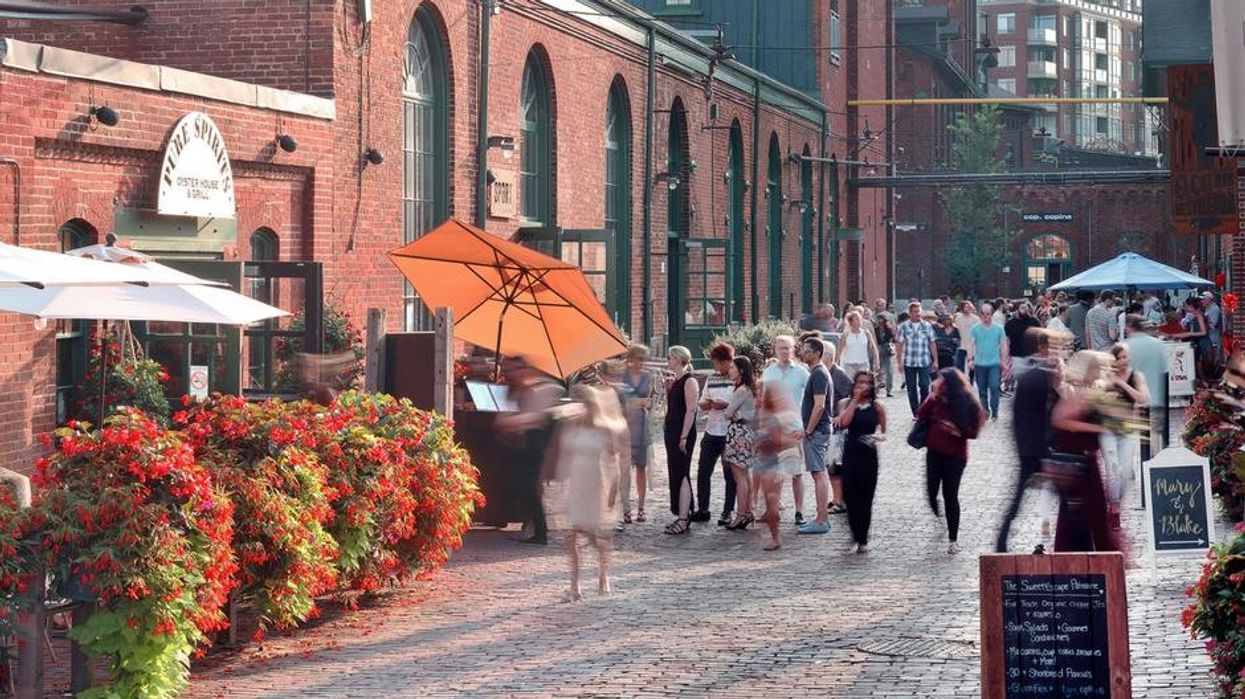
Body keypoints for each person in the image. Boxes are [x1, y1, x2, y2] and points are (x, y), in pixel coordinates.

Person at [556, 383, 626, 601]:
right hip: (576, 483)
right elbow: (563, 454)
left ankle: (603, 575)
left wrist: (614, 490)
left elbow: (615, 461)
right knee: (572, 536)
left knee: (596, 535)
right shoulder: (572, 426)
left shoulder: (604, 429)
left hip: (596, 483)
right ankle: (574, 585)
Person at [1049, 351, 1122, 553]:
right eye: (1098, 367)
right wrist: (1097, 428)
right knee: (1081, 512)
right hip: (1076, 459)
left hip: (1086, 459)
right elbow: (1060, 420)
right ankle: (1079, 556)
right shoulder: (1076, 392)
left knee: (1092, 511)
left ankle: (1096, 555)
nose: (1101, 371)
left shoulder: (1089, 390)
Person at [996, 329, 1059, 552]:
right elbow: (1048, 413)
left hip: (1028, 448)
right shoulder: (1040, 376)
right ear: (1042, 347)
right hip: (1039, 448)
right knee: (1071, 497)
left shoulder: (1029, 374)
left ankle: (1001, 543)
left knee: (1017, 502)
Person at [496, 355, 564, 546]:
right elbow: (505, 418)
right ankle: (534, 526)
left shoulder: (542, 389)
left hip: (536, 446)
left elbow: (535, 418)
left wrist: (513, 422)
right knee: (524, 486)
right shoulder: (516, 390)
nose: (509, 374)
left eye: (513, 369)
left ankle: (540, 532)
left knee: (531, 488)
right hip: (523, 445)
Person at [917, 368, 985, 554]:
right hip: (934, 452)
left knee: (950, 495)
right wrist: (932, 396)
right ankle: (939, 518)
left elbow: (974, 429)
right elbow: (920, 415)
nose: (937, 381)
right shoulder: (936, 399)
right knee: (931, 491)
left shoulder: (966, 401)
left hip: (955, 456)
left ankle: (953, 538)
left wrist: (958, 431)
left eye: (941, 379)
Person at [835, 371, 887, 553]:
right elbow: (843, 423)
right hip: (850, 453)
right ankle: (854, 533)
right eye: (860, 383)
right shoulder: (845, 403)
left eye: (867, 383)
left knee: (866, 498)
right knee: (849, 496)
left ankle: (862, 539)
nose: (863, 386)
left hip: (869, 455)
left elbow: (883, 432)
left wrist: (877, 437)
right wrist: (855, 401)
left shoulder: (878, 407)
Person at [760, 335, 810, 523]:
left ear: (793, 349)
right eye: (781, 348)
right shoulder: (769, 373)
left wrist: (805, 426)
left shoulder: (802, 373)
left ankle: (799, 512)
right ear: (775, 350)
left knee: (796, 473)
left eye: (787, 348)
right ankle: (773, 510)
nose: (784, 351)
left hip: (794, 428)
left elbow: (810, 401)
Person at [1099, 342, 1149, 527]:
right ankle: (1115, 510)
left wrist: (1122, 384)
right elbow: (1098, 403)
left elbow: (1143, 398)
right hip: (1108, 429)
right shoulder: (1104, 377)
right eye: (1118, 358)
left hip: (1128, 429)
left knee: (1126, 470)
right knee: (1112, 469)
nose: (1122, 361)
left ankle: (1114, 500)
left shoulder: (1136, 375)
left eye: (1125, 357)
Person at [754, 388, 803, 551]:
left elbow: (778, 440)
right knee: (770, 500)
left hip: (773, 462)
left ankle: (776, 537)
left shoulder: (772, 417)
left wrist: (792, 440)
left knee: (771, 499)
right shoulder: (766, 415)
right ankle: (775, 536)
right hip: (767, 461)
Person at [696, 343, 737, 526]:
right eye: (715, 364)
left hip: (729, 432)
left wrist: (725, 405)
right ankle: (703, 508)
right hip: (711, 430)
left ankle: (727, 511)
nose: (717, 367)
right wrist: (706, 404)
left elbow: (742, 402)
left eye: (720, 363)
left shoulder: (736, 379)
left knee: (730, 474)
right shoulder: (711, 379)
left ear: (729, 361)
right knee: (703, 471)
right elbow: (702, 400)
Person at [797, 337, 834, 534]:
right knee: (818, 473)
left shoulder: (819, 374)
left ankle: (821, 520)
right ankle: (821, 518)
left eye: (806, 351)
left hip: (817, 431)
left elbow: (819, 405)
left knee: (819, 473)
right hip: (819, 430)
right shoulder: (817, 373)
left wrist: (809, 429)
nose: (802, 353)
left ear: (817, 353)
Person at [662, 346, 699, 535]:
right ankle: (681, 512)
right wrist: (668, 389)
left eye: (670, 357)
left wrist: (683, 436)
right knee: (675, 472)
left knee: (682, 472)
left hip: (682, 433)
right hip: (672, 432)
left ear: (677, 359)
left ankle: (684, 518)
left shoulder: (689, 381)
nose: (668, 359)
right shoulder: (676, 381)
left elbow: (691, 410)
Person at [618, 345, 654, 528]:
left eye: (643, 359)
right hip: (625, 426)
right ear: (630, 358)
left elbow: (649, 402)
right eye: (638, 358)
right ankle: (626, 508)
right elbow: (621, 403)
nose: (641, 363)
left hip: (641, 424)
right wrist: (636, 403)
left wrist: (640, 403)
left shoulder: (648, 377)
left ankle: (641, 507)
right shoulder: (622, 377)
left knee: (641, 467)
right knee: (624, 470)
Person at [1124, 314, 1169, 458]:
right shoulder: (1158, 344)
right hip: (1155, 397)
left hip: (1132, 400)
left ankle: (1131, 467)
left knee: (1131, 436)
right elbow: (1165, 370)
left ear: (1129, 327)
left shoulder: (1124, 346)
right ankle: (1156, 468)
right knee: (1155, 435)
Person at [722, 357, 758, 531]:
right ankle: (748, 511)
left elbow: (728, 414)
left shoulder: (741, 390)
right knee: (745, 474)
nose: (730, 371)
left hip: (739, 434)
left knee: (739, 476)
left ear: (741, 370)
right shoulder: (750, 389)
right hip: (747, 432)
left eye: (733, 368)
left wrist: (732, 413)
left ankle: (741, 514)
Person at [896, 301, 938, 416]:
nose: (918, 314)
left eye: (919, 311)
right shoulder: (903, 327)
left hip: (924, 360)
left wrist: (935, 360)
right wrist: (899, 362)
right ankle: (915, 412)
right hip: (909, 361)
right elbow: (899, 345)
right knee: (911, 388)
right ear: (910, 313)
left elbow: (932, 343)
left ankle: (923, 409)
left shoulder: (927, 326)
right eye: (915, 312)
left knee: (925, 385)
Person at [969, 303, 1009, 421]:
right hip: (980, 364)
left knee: (994, 387)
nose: (986, 316)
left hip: (994, 364)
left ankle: (995, 412)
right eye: (983, 314)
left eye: (988, 314)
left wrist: (1004, 361)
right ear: (980, 314)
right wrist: (970, 359)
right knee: (982, 389)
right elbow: (971, 344)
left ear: (992, 314)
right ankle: (985, 411)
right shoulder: (975, 329)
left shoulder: (999, 329)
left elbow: (1003, 345)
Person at [838, 310, 879, 379]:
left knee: (861, 385)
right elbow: (839, 350)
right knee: (850, 385)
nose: (859, 321)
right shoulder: (845, 335)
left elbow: (873, 348)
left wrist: (877, 362)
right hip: (848, 364)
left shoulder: (866, 333)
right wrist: (836, 363)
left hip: (863, 363)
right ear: (851, 322)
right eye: (856, 319)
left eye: (860, 319)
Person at [1005, 302, 1042, 374]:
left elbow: (1040, 337)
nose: (1024, 310)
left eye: (1026, 307)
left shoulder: (1034, 321)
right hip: (1017, 357)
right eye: (1022, 308)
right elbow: (1007, 340)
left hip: (1032, 356)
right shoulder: (1010, 324)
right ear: (1017, 309)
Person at [953, 301, 980, 374]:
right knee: (959, 364)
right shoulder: (958, 317)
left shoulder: (976, 319)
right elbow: (955, 328)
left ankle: (971, 381)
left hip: (972, 345)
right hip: (962, 344)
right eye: (965, 307)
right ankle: (962, 380)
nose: (967, 308)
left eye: (968, 307)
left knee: (971, 365)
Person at [875, 313, 896, 397]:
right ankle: (876, 389)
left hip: (887, 350)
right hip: (879, 348)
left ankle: (889, 390)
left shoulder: (889, 329)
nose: (880, 321)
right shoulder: (875, 329)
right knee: (878, 371)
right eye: (878, 319)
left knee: (889, 371)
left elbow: (893, 339)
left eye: (881, 319)